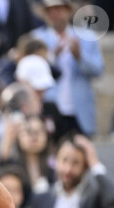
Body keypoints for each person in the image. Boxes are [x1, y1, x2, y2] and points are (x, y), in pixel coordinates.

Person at [31, 0, 104, 137]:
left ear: (68, 11)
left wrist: (79, 57)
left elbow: (98, 70)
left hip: (80, 110)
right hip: (51, 108)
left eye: (58, 10)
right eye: (50, 11)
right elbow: (32, 73)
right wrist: (52, 56)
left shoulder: (86, 36)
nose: (54, 15)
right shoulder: (38, 38)